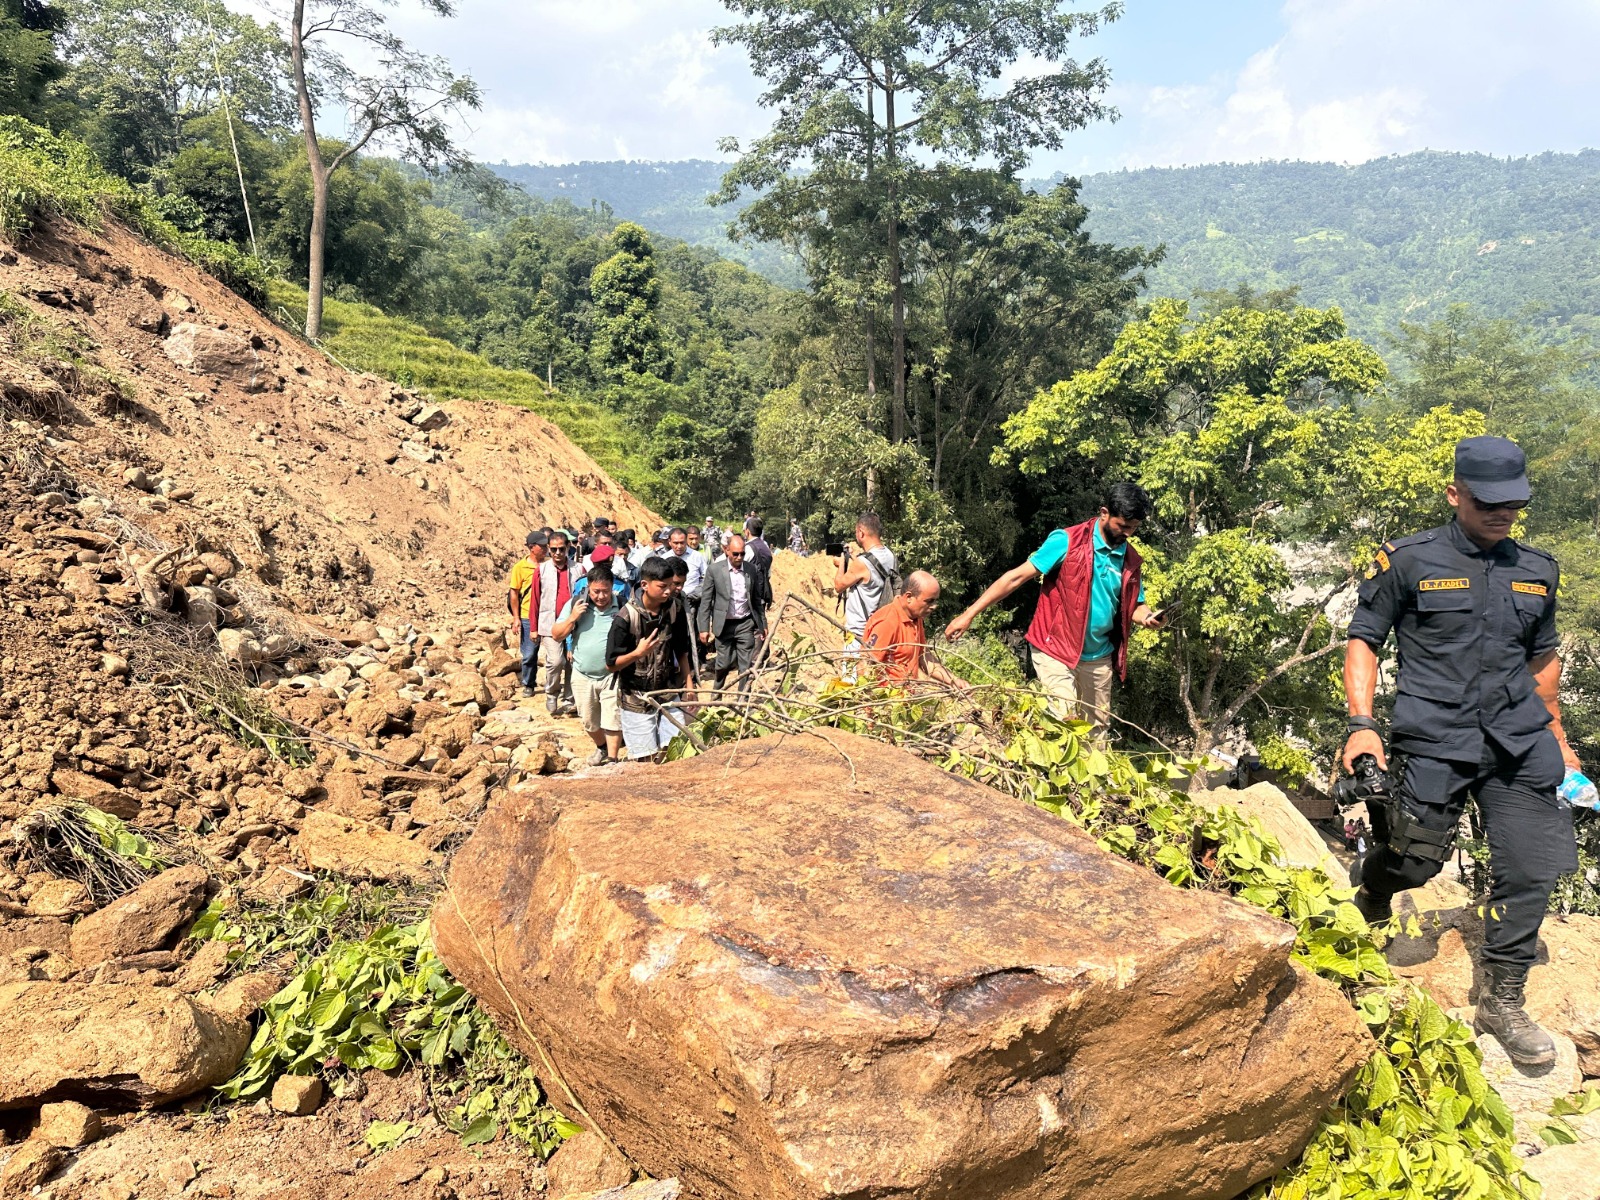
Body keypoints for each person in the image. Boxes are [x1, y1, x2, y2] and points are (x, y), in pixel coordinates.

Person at [1343, 435, 1581, 1067]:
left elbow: (1544, 657)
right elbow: (1365, 639)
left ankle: (1503, 999)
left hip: (1517, 741)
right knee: (1415, 861)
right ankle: (1373, 887)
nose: (1501, 515)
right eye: (1487, 503)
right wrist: (1362, 724)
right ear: (1455, 494)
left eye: (1512, 504)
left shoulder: (1538, 569)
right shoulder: (1406, 560)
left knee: (1530, 869)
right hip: (1435, 737)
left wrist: (1558, 738)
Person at [945, 482, 1163, 738]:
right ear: (1104, 512)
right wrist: (968, 614)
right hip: (1056, 649)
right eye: (1123, 526)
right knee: (1063, 721)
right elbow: (1015, 578)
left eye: (1134, 528)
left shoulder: (1129, 558)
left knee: (1096, 732)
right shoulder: (1067, 541)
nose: (1128, 533)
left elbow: (1135, 605)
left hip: (1098, 657)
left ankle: (1085, 779)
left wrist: (1148, 617)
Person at [607, 556, 695, 762]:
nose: (668, 591)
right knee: (645, 760)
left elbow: (682, 650)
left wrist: (689, 684)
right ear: (644, 585)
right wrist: (637, 653)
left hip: (667, 692)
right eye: (663, 586)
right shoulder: (625, 617)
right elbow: (611, 665)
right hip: (635, 699)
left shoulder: (675, 609)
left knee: (675, 751)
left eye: (671, 586)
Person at [551, 564, 624, 766]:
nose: (601, 596)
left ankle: (612, 758)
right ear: (588, 588)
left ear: (612, 588)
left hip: (612, 675)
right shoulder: (576, 604)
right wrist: (573, 617)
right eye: (596, 591)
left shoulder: (623, 605)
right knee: (589, 722)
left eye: (605, 591)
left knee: (613, 719)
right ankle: (601, 747)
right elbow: (556, 634)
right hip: (582, 674)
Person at [862, 571, 963, 688]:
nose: (934, 606)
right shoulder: (887, 622)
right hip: (885, 700)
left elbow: (923, 657)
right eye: (929, 601)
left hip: (904, 699)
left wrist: (953, 681)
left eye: (935, 601)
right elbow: (866, 664)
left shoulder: (916, 617)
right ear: (909, 597)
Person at [698, 534, 768, 692]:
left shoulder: (751, 569)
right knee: (723, 664)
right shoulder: (714, 570)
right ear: (726, 550)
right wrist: (703, 628)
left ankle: (743, 699)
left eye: (742, 554)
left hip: (745, 623)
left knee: (746, 665)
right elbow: (706, 601)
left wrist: (762, 624)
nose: (739, 557)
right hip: (724, 625)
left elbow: (756, 599)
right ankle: (717, 695)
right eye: (735, 553)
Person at [832, 512, 898, 666]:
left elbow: (839, 586)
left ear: (861, 532)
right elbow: (872, 570)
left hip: (858, 634)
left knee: (852, 683)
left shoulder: (861, 563)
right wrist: (854, 557)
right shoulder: (891, 556)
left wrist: (842, 561)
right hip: (880, 631)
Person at [536, 529, 577, 716]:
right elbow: (535, 598)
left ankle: (569, 699)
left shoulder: (578, 569)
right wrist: (534, 628)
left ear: (568, 547)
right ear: (548, 550)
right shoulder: (542, 569)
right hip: (549, 623)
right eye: (554, 550)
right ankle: (552, 693)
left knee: (572, 662)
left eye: (562, 549)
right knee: (555, 660)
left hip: (574, 623)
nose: (558, 553)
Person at [504, 530, 547, 698]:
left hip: (548, 614)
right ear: (531, 548)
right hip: (528, 616)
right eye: (542, 546)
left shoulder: (549, 565)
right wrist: (516, 618)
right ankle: (528, 683)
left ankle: (553, 685)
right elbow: (514, 593)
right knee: (529, 654)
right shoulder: (520, 568)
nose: (546, 549)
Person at [745, 518, 774, 611]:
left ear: (747, 531)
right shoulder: (766, 548)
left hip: (749, 597)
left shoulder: (748, 548)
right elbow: (768, 574)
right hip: (762, 594)